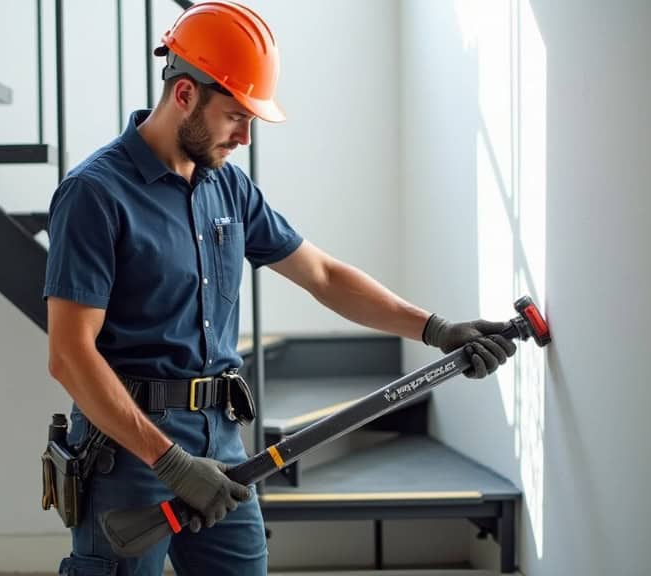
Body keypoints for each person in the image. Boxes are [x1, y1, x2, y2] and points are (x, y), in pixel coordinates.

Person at [43, 2, 516, 574]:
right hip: (128, 456)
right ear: (186, 94)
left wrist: (436, 328)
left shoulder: (230, 189)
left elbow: (322, 275)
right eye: (236, 116)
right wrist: (169, 463)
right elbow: (70, 355)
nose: (244, 136)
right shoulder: (95, 194)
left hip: (220, 442)